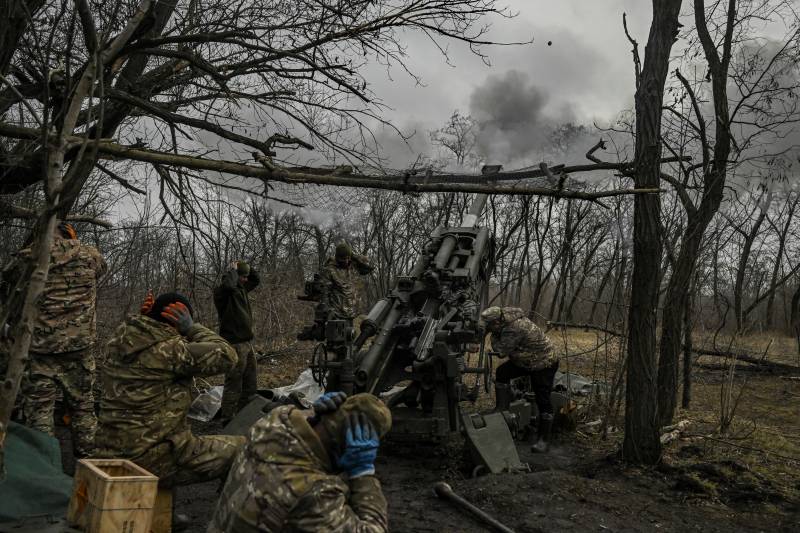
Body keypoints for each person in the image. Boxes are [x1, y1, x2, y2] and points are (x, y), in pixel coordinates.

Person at [95, 292, 244, 487]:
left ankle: (161, 514)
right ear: (176, 322)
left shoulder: (116, 343)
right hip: (148, 459)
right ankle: (230, 512)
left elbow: (141, 332)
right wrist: (192, 328)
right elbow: (228, 356)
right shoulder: (172, 352)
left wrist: (146, 318)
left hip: (107, 450)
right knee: (245, 448)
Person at [208, 392, 391, 532]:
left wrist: (313, 414)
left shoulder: (274, 422)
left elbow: (309, 439)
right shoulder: (316, 492)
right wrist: (363, 473)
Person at [1, 222, 107, 457]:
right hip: (78, 347)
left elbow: (8, 275)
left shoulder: (30, 257)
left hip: (39, 349)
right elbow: (102, 269)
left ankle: (46, 470)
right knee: (83, 407)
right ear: (69, 234)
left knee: (39, 412)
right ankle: (90, 467)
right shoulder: (89, 254)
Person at [481, 306, 558, 453]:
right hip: (526, 360)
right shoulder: (505, 318)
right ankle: (501, 410)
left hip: (543, 363)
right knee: (502, 372)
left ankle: (544, 440)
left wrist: (492, 336)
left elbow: (501, 351)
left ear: (497, 322)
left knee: (543, 399)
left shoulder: (514, 328)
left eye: (490, 326)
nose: (488, 328)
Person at [214, 261, 260, 422]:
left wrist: (246, 265)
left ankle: (245, 415)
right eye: (242, 277)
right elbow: (228, 286)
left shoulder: (241, 288)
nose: (246, 280)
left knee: (250, 382)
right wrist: (233, 271)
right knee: (234, 382)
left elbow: (256, 279)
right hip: (234, 343)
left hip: (246, 343)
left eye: (246, 277)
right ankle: (227, 419)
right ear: (234, 276)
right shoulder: (224, 292)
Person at [319, 242, 373, 321]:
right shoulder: (329, 270)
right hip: (337, 316)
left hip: (353, 314)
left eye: (348, 258)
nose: (346, 261)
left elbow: (369, 267)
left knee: (351, 333)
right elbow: (324, 293)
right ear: (337, 257)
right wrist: (329, 312)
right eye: (343, 259)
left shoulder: (354, 266)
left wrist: (353, 255)